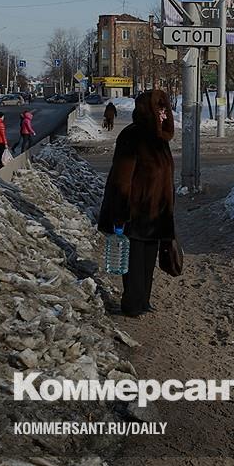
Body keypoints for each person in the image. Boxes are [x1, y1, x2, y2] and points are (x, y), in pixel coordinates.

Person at [98, 90, 176, 318]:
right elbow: (121, 178)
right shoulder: (132, 135)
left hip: (156, 213)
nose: (164, 114)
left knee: (148, 259)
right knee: (134, 259)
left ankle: (143, 301)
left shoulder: (160, 138)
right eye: (159, 109)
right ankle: (132, 304)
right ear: (148, 110)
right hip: (135, 211)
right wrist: (120, 213)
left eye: (165, 109)